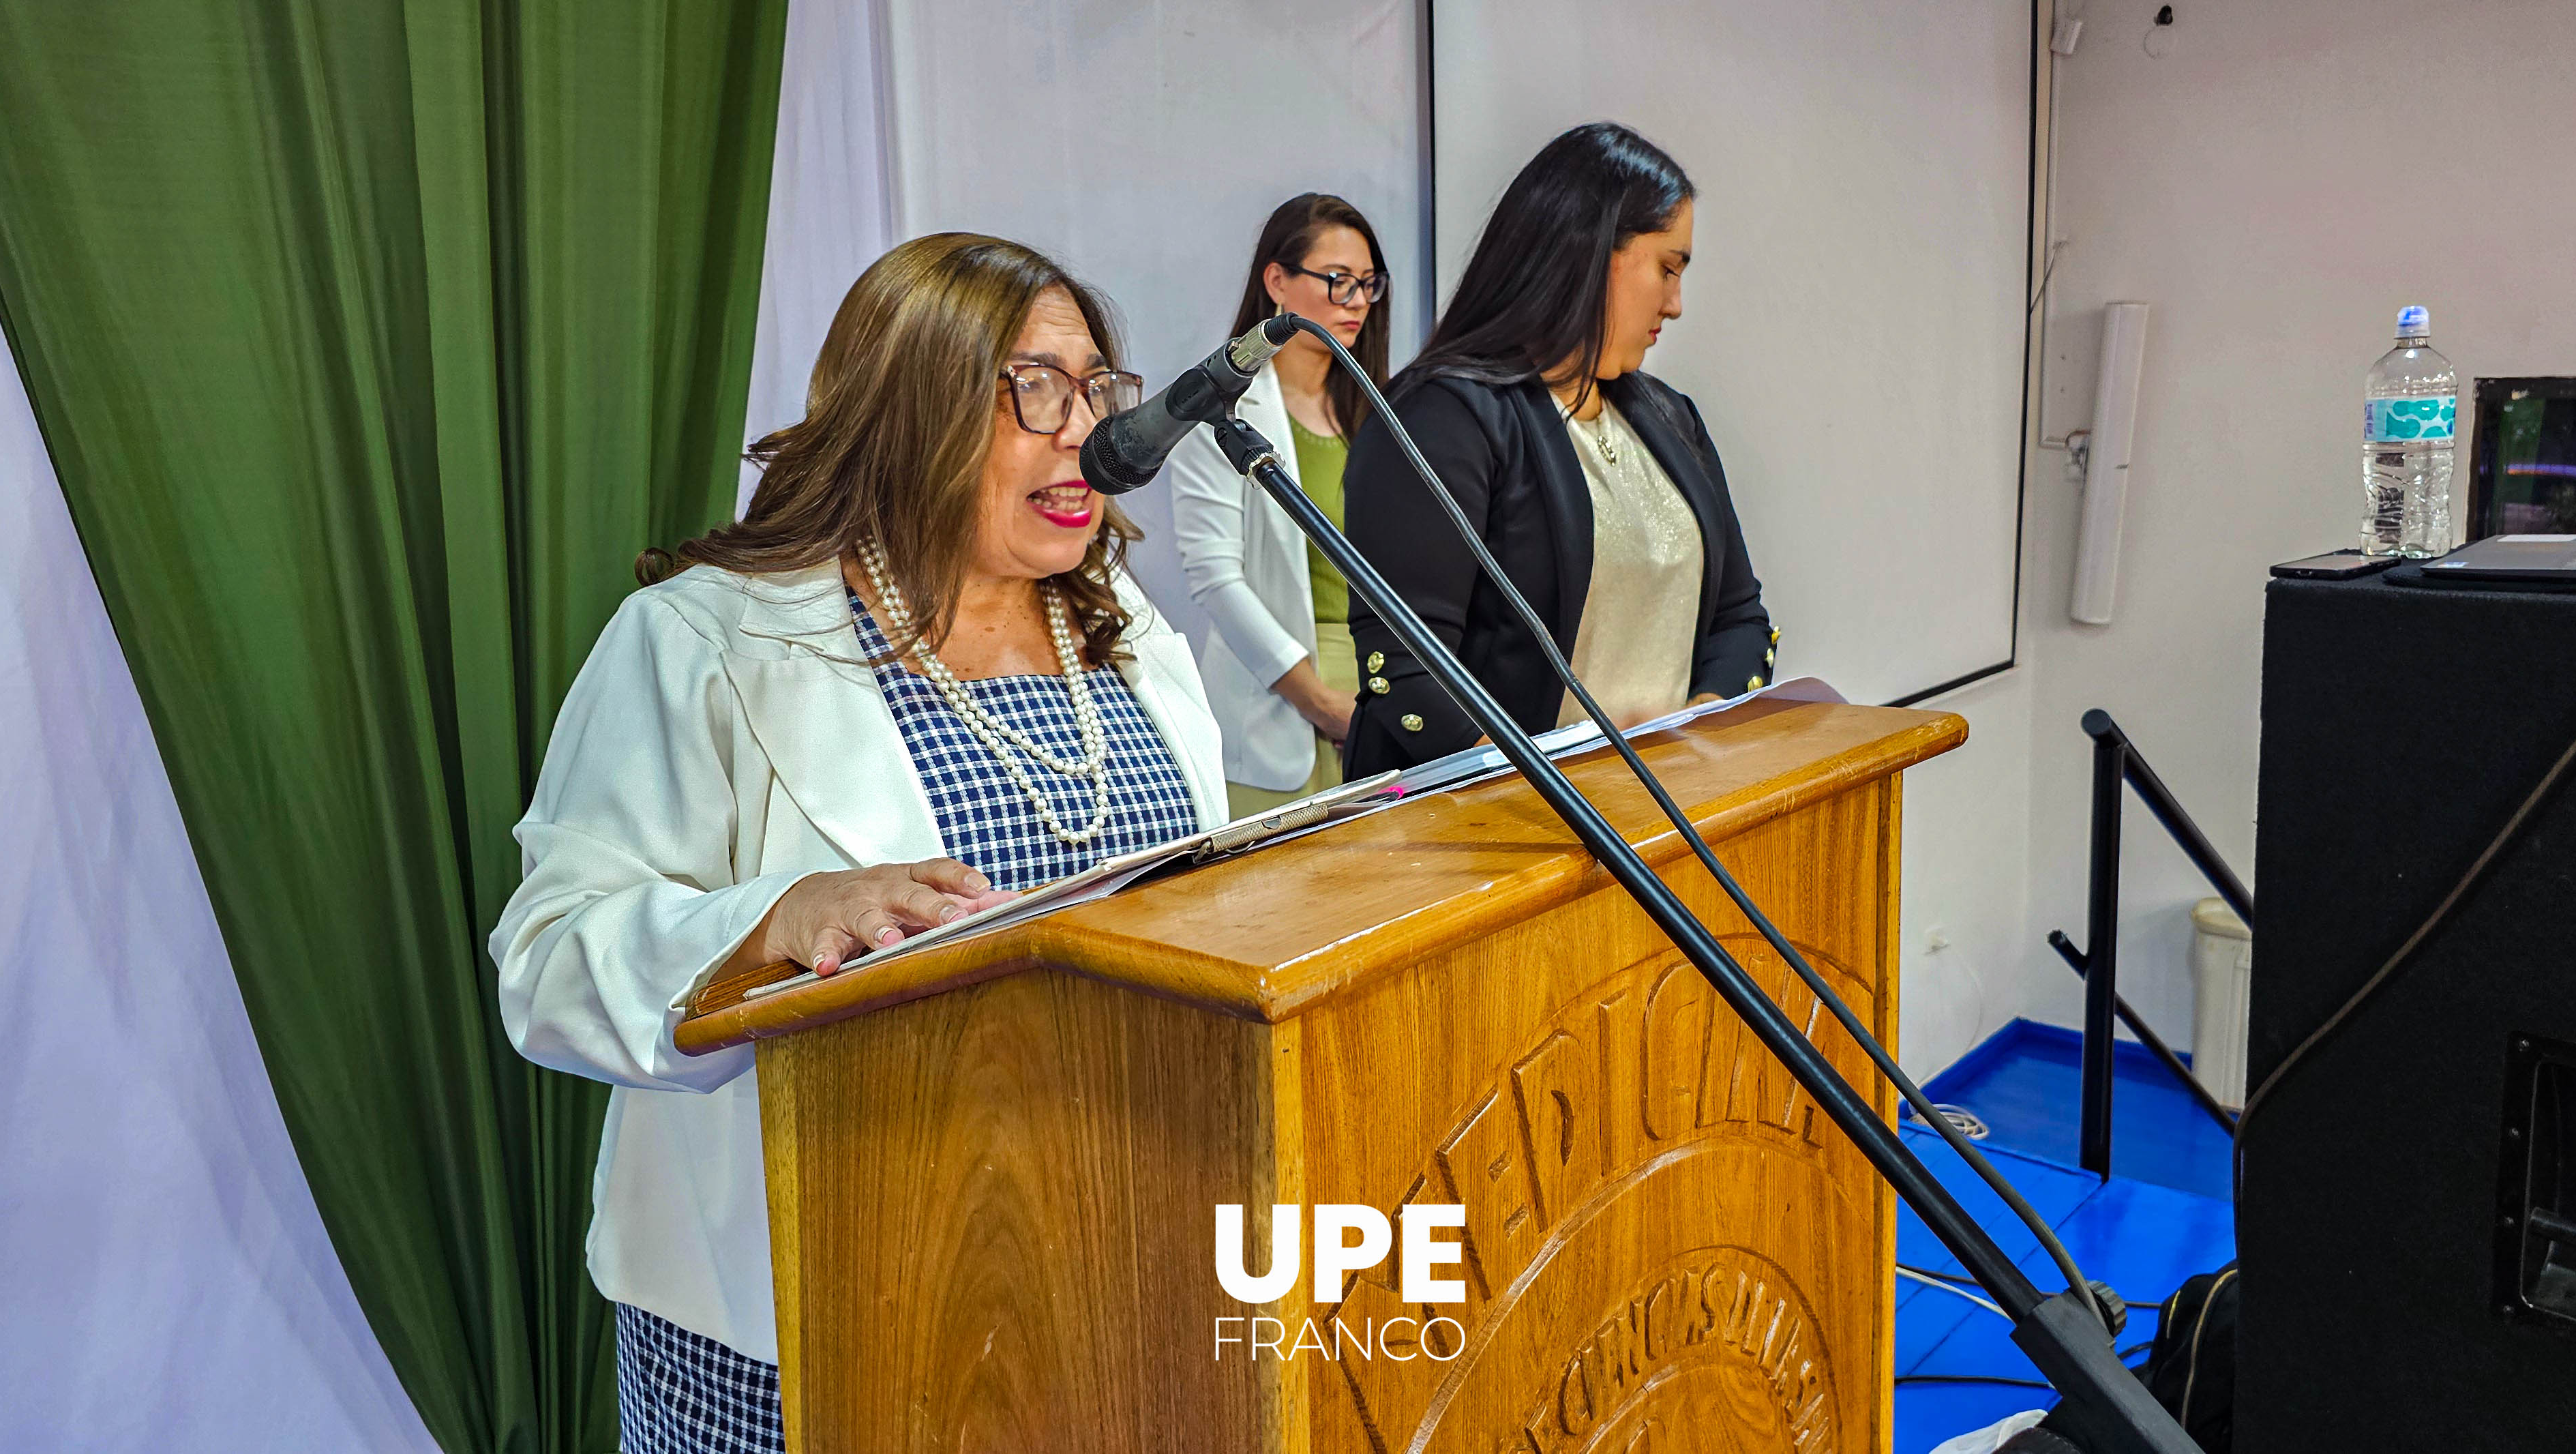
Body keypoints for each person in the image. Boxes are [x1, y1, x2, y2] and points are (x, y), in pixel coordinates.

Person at [489, 233, 1226, 1454]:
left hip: (1099, 1286)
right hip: (801, 1319)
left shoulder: (1129, 638)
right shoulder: (702, 640)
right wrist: (767, 921)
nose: (1087, 432)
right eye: (1033, 386)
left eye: (1097, 387)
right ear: (912, 410)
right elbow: (549, 959)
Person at [1338, 123, 1773, 778]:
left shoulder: (1670, 416)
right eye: (1667, 268)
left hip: (1668, 809)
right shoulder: (1440, 417)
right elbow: (1410, 665)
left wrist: (1691, 743)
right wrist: (1558, 793)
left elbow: (1740, 619)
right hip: (1505, 836)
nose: (1676, 304)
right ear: (1593, 253)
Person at [1169, 192, 1393, 815]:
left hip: (1381, 689)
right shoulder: (1219, 407)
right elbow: (1216, 579)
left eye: (1368, 284)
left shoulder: (1380, 412)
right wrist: (1318, 701)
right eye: (1338, 281)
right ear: (1277, 282)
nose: (1357, 303)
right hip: (1283, 696)